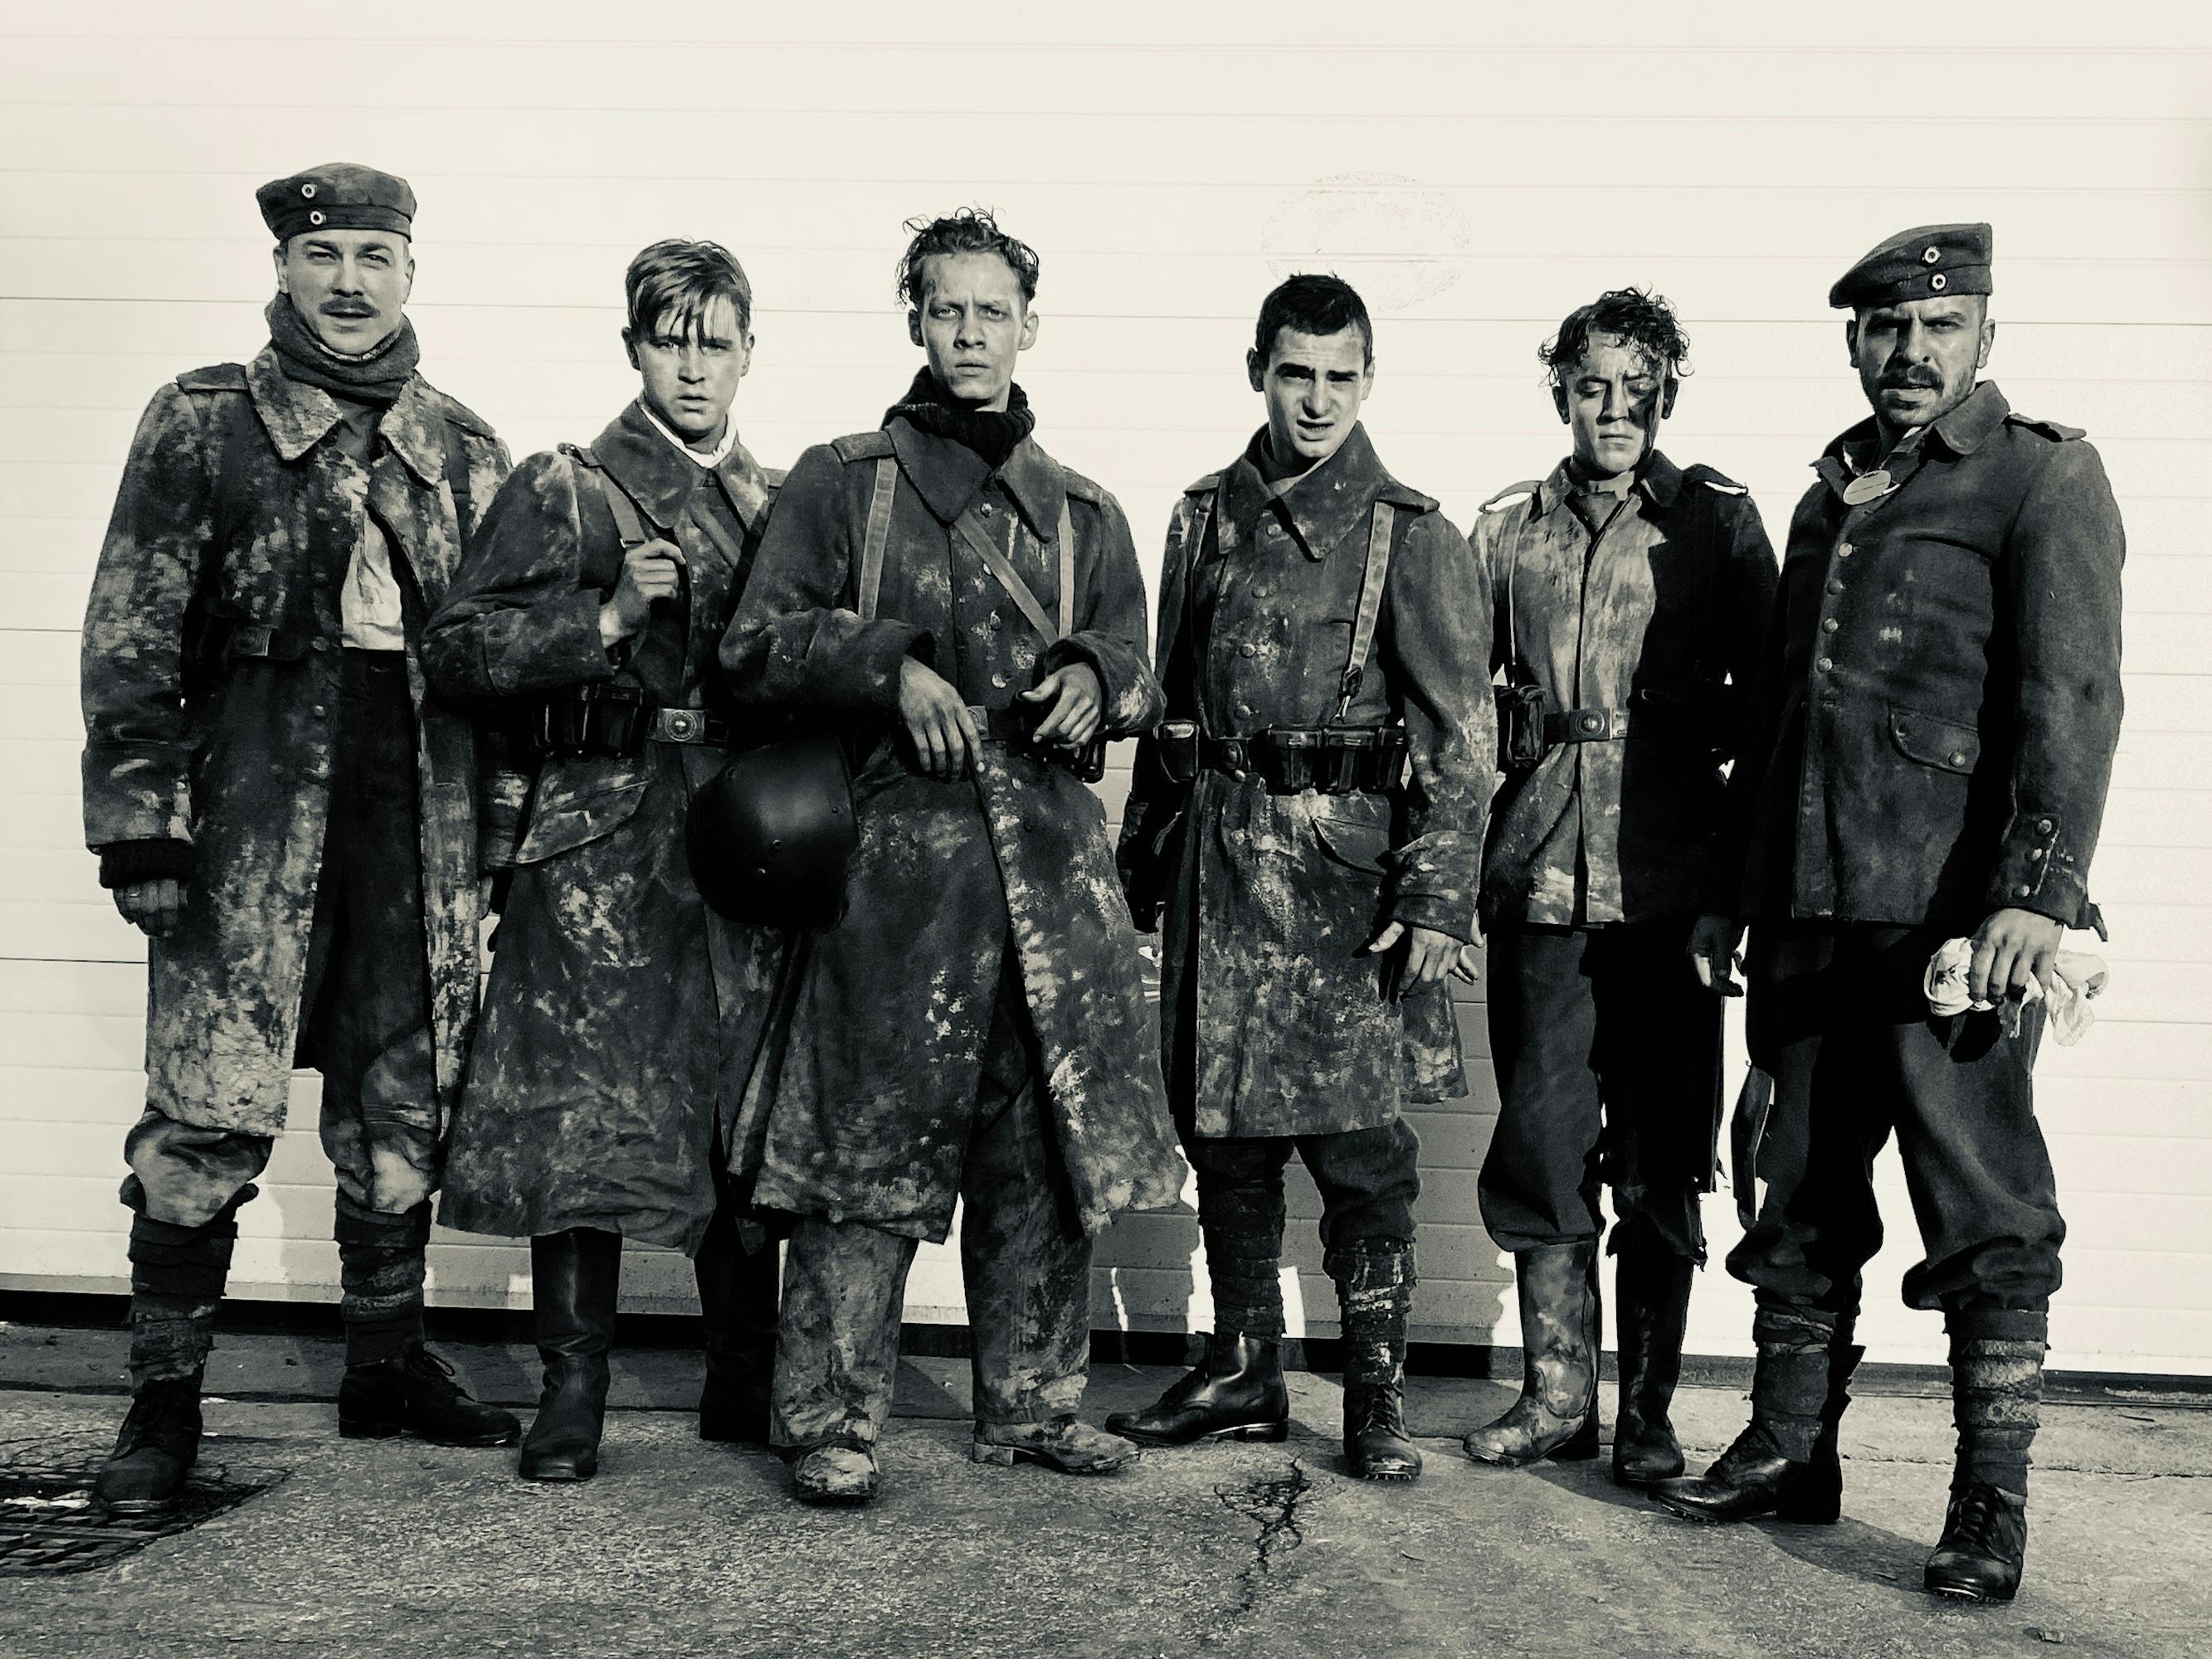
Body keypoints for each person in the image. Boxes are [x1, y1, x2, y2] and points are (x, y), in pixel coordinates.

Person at [1651, 225, 2126, 1606]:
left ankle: (1988, 1505)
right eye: (1882, 329)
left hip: (1952, 930)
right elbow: (1789, 722)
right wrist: (1740, 900)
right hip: (1809, 909)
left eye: (1938, 326)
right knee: (1796, 1184)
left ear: (1986, 334)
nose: (1909, 353)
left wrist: (2030, 899)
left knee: (1981, 1206)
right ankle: (1791, 1448)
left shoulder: (2042, 477)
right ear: (1851, 340)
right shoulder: (1828, 496)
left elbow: (2071, 701)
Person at [719, 208, 1183, 1506]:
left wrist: (1098, 678)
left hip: (1051, 882)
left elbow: (1138, 657)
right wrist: (887, 669)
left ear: (1029, 326)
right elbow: (756, 644)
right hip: (894, 886)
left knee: (1038, 1153)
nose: (971, 334)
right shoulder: (841, 479)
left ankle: (1033, 1405)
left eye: (994, 312)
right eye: (948, 309)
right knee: (860, 1148)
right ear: (914, 319)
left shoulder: (1084, 511)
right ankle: (828, 1416)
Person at [80, 163, 519, 1513]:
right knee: (209, 1106)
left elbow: (502, 668)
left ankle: (384, 1364)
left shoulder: (464, 447)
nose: (347, 281)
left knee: (401, 1102)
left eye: (373, 255)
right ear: (282, 268)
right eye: (322, 253)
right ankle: (164, 1399)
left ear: (409, 272)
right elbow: (132, 631)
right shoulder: (203, 423)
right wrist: (145, 827)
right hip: (251, 821)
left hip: (418, 822)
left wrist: (498, 841)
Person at [1108, 275, 1493, 1482]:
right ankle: (1241, 1370)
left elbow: (1460, 738)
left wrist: (1433, 896)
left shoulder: (1408, 532)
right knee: (1223, 1139)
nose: (1316, 399)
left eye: (1339, 376)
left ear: (1366, 380)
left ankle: (1374, 1397)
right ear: (1256, 371)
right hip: (1217, 876)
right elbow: (1172, 711)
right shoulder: (1198, 519)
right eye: (1294, 373)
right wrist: (1137, 884)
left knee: (1361, 1152)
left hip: (1342, 893)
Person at [421, 241, 788, 1481]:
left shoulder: (781, 500)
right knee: (578, 1121)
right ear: (632, 347)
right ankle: (570, 1395)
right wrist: (607, 621)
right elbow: (457, 653)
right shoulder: (565, 488)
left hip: (736, 839)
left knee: (736, 1110)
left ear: (750, 352)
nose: (693, 365)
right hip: (594, 842)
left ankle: (743, 1375)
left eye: (715, 340)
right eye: (669, 338)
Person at [1459, 289, 1776, 1486]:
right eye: (1590, 386)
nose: (1613, 411)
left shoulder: (1714, 527)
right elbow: (1457, 718)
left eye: (1637, 389)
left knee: (1659, 1158)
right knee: (1540, 1152)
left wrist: (1729, 894)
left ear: (1667, 397)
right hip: (1536, 882)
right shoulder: (1505, 531)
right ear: (1560, 391)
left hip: (1668, 898)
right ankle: (1554, 1401)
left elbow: (1772, 723)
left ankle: (1644, 1413)